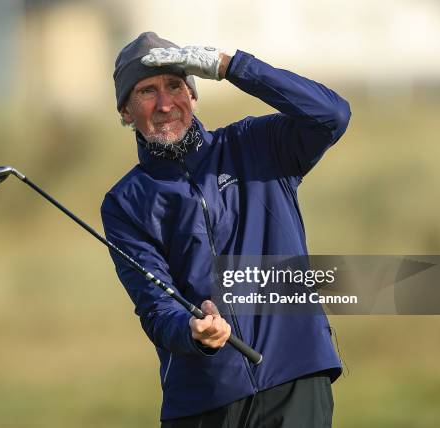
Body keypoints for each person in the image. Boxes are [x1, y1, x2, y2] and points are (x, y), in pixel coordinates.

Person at [101, 32, 351, 428]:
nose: (165, 104)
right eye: (147, 91)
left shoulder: (255, 144)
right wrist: (192, 331)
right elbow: (155, 307)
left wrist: (230, 66)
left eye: (175, 86)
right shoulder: (125, 201)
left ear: (193, 95)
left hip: (294, 376)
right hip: (202, 399)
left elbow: (331, 115)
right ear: (126, 111)